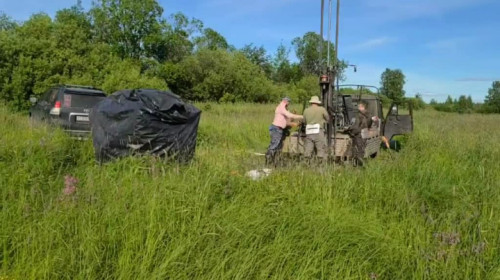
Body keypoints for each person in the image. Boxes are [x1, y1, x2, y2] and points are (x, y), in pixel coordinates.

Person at [265, 97, 303, 164]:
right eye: (288, 102)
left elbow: (288, 119)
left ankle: (274, 160)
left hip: (278, 129)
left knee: (278, 145)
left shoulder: (282, 107)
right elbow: (290, 116)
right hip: (276, 128)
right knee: (275, 144)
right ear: (286, 102)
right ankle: (268, 160)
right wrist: (302, 116)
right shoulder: (281, 107)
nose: (288, 104)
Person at [349, 100, 378, 167]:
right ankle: (360, 162)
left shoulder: (359, 115)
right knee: (362, 147)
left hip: (359, 133)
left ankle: (358, 164)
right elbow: (371, 123)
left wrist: (352, 132)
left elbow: (356, 126)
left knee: (358, 148)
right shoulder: (369, 114)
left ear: (362, 107)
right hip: (365, 132)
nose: (358, 107)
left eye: (359, 106)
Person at [302, 96, 329, 162]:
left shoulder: (306, 110)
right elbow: (327, 118)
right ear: (317, 102)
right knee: (320, 148)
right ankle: (319, 164)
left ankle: (307, 163)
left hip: (309, 131)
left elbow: (304, 121)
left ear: (311, 102)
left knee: (308, 148)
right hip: (318, 131)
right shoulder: (321, 109)